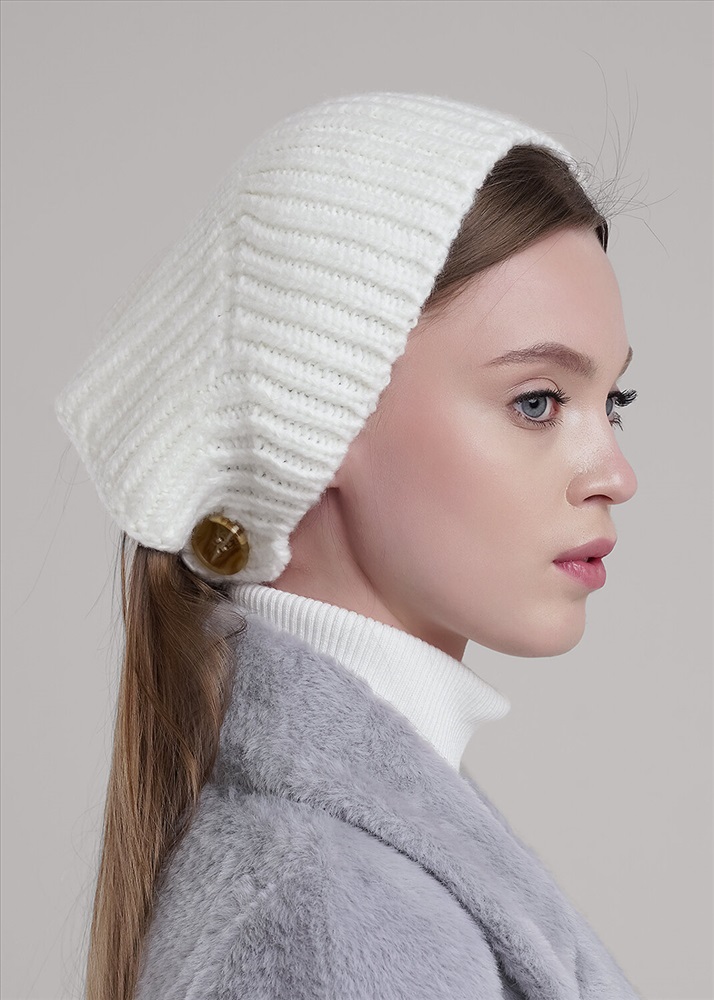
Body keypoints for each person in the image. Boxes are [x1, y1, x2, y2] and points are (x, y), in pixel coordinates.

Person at [55, 91, 642, 1000]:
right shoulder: (329, 917)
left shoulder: (359, 868)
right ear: (319, 420)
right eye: (537, 402)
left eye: (615, 403)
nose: (615, 474)